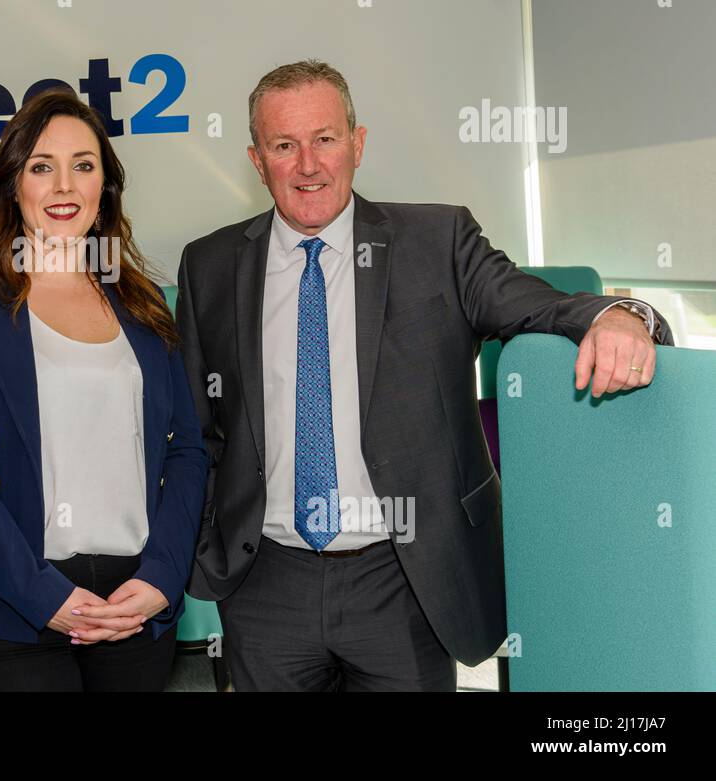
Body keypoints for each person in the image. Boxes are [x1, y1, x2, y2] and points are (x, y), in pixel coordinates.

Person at [178, 59, 671, 691]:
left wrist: (621, 315)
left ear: (357, 144)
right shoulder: (211, 264)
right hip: (264, 586)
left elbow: (535, 304)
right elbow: (197, 428)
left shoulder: (437, 241)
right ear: (256, 159)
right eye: (283, 145)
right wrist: (206, 551)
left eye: (325, 139)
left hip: (404, 580)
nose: (307, 164)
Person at [0, 88, 209, 691]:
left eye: (84, 165)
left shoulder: (145, 304)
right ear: (12, 185)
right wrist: (43, 594)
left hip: (134, 603)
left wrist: (161, 579)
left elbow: (186, 452)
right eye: (42, 167)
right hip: (8, 605)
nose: (64, 186)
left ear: (106, 187)